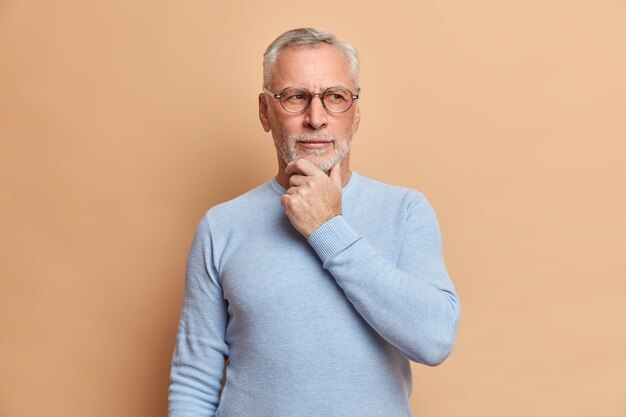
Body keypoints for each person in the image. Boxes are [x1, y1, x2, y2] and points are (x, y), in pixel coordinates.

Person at [168, 27, 460, 417]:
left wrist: (328, 228)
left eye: (335, 97)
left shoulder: (405, 210)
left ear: (356, 115)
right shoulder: (221, 226)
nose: (316, 118)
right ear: (264, 112)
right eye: (295, 97)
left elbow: (434, 340)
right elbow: (194, 378)